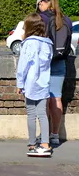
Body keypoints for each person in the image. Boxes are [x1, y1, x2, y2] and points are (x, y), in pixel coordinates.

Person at [16, 13, 53, 157]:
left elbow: (23, 65)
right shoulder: (47, 43)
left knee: (31, 114)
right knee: (42, 114)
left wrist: (20, 83)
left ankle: (32, 143)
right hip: (44, 82)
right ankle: (45, 143)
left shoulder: (29, 43)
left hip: (31, 83)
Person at [36, 0, 72, 146]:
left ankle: (44, 135)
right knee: (56, 98)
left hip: (44, 63)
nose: (38, 8)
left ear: (44, 3)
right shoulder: (67, 20)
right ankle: (55, 134)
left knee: (42, 99)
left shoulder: (41, 18)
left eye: (39, 4)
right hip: (60, 62)